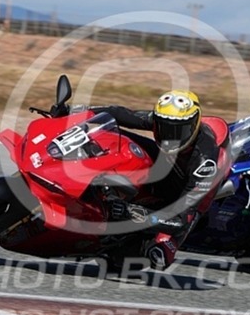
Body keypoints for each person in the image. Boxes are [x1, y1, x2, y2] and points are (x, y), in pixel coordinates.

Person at [65, 90, 230, 270]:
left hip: (189, 195)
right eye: (164, 129)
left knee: (158, 256)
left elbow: (180, 220)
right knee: (113, 136)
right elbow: (121, 113)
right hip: (170, 164)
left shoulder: (205, 161)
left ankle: (147, 242)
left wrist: (131, 212)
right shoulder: (165, 120)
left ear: (194, 126)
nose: (170, 137)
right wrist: (74, 112)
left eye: (178, 131)